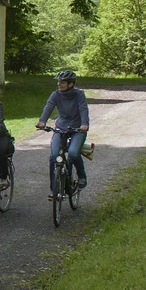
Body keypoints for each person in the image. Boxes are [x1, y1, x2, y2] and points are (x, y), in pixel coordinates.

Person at [36, 69, 90, 197]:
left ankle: (81, 176)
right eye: (58, 82)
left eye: (62, 82)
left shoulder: (79, 95)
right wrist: (42, 121)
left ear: (71, 84)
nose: (59, 84)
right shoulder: (56, 94)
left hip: (77, 129)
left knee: (73, 153)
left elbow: (83, 109)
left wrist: (84, 124)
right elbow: (48, 107)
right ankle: (54, 190)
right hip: (61, 128)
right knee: (54, 156)